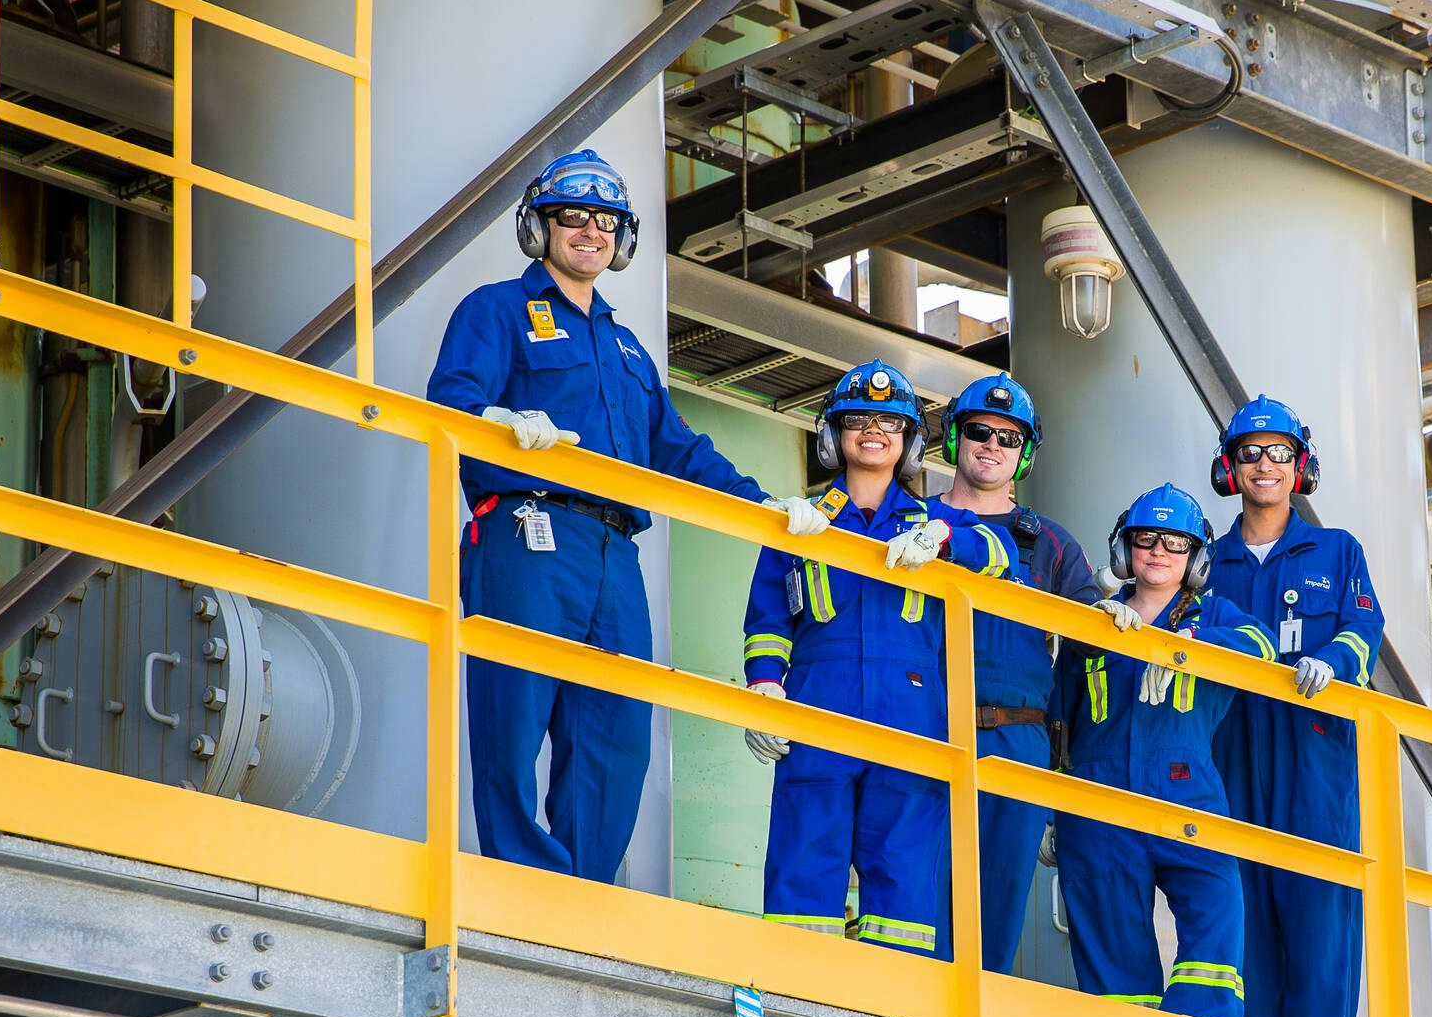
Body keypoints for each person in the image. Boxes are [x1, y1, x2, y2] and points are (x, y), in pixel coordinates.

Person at [429, 148, 832, 883]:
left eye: (607, 220)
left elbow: (678, 448)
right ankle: (520, 881)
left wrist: (762, 501)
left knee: (615, 733)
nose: (591, 231)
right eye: (572, 216)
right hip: (528, 532)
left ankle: (582, 892)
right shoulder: (496, 309)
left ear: (623, 237)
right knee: (513, 714)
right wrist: (497, 420)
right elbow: (451, 400)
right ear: (539, 228)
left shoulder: (627, 348)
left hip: (615, 553)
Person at [743, 361, 1009, 955]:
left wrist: (944, 541)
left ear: (909, 441)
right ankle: (797, 991)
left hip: (910, 719)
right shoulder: (799, 520)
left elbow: (1000, 553)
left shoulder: (937, 521)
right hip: (816, 709)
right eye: (857, 419)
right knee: (803, 865)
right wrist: (764, 687)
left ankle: (898, 1001)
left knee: (903, 876)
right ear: (832, 434)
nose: (873, 431)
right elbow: (767, 621)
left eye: (890, 422)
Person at [926, 372, 1139, 970]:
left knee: (995, 916)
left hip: (1017, 742)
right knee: (914, 901)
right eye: (980, 431)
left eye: (1009, 438)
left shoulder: (1050, 543)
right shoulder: (911, 520)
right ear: (955, 438)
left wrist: (1109, 616)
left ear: (1025, 454)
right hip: (925, 726)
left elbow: (1088, 641)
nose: (992, 446)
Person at [1050, 483, 1281, 1017]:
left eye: (1176, 543)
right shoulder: (1094, 622)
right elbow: (1058, 717)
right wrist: (1050, 808)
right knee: (1110, 948)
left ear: (1196, 558)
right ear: (1124, 549)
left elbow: (1263, 647)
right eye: (1146, 539)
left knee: (1217, 908)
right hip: (1097, 801)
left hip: (1187, 791)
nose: (1159, 551)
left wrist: (1189, 648)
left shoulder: (1217, 615)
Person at [1204, 395, 1381, 1017]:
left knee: (1319, 906)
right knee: (1238, 902)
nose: (1265, 465)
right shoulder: (1207, 562)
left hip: (1312, 760)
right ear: (1230, 467)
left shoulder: (1336, 550)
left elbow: (1365, 627)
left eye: (1279, 452)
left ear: (1300, 465)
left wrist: (1334, 662)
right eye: (1250, 453)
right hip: (1226, 754)